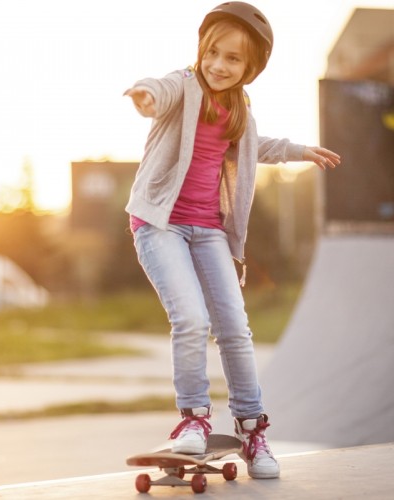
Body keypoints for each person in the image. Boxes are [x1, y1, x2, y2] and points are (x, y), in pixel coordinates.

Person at [123, 2, 340, 480]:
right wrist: (145, 96)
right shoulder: (183, 85)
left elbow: (254, 145)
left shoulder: (239, 107)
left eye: (233, 59)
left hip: (210, 233)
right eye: (213, 53)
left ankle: (251, 428)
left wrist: (299, 150)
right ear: (201, 49)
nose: (219, 65)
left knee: (236, 330)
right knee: (192, 319)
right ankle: (193, 420)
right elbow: (159, 92)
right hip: (160, 226)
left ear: (251, 69)